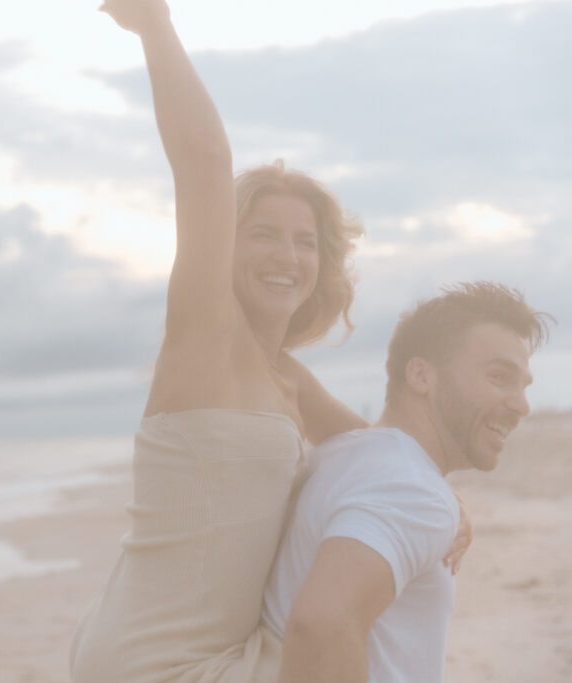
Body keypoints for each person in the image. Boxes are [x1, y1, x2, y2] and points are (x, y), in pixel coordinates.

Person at [69, 1, 471, 681]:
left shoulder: (285, 376)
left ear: (322, 266)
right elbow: (203, 162)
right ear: (224, 247)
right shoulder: (205, 338)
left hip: (223, 649)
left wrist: (448, 504)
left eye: (304, 241)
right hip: (158, 661)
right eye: (262, 233)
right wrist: (154, 23)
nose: (286, 254)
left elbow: (383, 452)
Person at [265, 282, 550, 682]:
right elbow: (319, 626)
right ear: (420, 375)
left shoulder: (343, 452)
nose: (521, 405)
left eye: (523, 386)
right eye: (499, 377)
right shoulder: (412, 489)